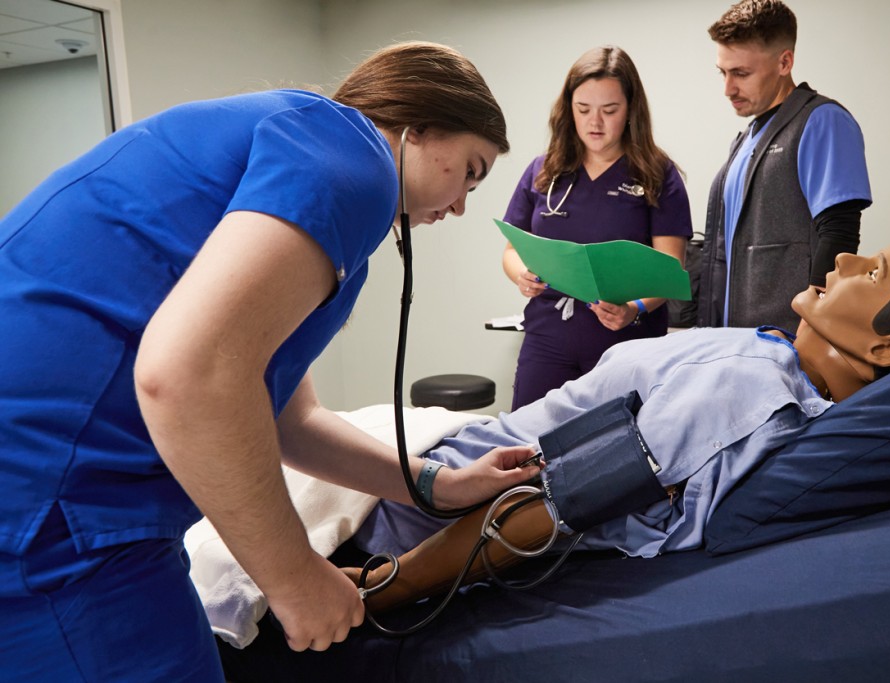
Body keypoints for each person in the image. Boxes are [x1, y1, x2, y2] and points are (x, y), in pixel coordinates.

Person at [0, 41, 543, 682]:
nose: (459, 207)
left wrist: (437, 485)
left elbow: (288, 418)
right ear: (418, 125)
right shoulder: (354, 161)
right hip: (56, 505)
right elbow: (188, 376)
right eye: (470, 171)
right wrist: (294, 578)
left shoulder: (300, 141)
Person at [343, 235, 890, 614]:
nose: (846, 260)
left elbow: (551, 504)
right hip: (423, 455)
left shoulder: (749, 390)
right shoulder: (771, 354)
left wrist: (378, 588)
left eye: (874, 271)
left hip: (395, 510)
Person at [502, 45, 693, 410]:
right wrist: (521, 274)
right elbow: (512, 249)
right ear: (568, 109)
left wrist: (634, 308)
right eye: (583, 109)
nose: (595, 122)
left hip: (627, 343)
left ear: (631, 110)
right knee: (527, 446)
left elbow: (671, 268)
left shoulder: (657, 175)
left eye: (609, 110)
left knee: (615, 455)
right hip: (548, 336)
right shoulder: (544, 171)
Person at [697, 0, 872, 332]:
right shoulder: (746, 139)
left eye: (741, 73)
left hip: (787, 340)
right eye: (723, 72)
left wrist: (814, 328)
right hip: (733, 340)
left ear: (784, 61)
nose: (727, 88)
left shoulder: (823, 121)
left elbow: (839, 233)